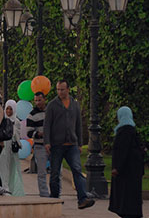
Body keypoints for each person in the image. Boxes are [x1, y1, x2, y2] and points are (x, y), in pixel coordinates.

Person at [44, 80, 95, 209]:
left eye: (62, 89)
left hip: (72, 144)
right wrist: (47, 142)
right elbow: (47, 125)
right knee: (55, 173)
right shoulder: (52, 105)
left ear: (68, 89)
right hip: (56, 144)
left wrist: (79, 143)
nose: (60, 92)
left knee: (77, 170)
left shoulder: (74, 104)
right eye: (58, 89)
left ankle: (82, 198)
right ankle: (54, 199)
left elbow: (78, 124)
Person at [109, 106, 143, 218]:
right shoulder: (132, 130)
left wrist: (117, 167)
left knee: (125, 197)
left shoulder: (124, 131)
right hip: (134, 170)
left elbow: (122, 151)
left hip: (126, 171)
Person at [0, 100, 24, 196]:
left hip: (12, 148)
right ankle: (5, 187)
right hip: (4, 147)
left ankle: (11, 187)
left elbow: (17, 134)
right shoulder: (3, 120)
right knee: (3, 167)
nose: (9, 111)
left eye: (11, 109)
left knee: (12, 169)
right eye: (7, 109)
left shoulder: (16, 121)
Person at [26, 91, 49, 197]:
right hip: (40, 146)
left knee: (57, 171)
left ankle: (56, 194)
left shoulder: (50, 111)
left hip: (54, 145)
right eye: (36, 101)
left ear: (44, 99)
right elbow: (29, 132)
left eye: (40, 100)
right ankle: (44, 194)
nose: (38, 103)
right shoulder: (32, 115)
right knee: (41, 172)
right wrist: (38, 134)